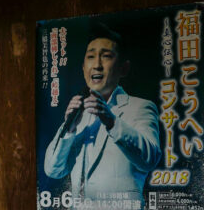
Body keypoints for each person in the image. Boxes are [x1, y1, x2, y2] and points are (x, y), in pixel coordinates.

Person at [43, 24, 161, 200]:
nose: (97, 65)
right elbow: (53, 170)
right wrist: (68, 129)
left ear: (124, 68)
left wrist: (111, 121)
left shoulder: (141, 107)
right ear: (83, 68)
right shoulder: (78, 113)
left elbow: (149, 159)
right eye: (91, 57)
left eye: (106, 56)